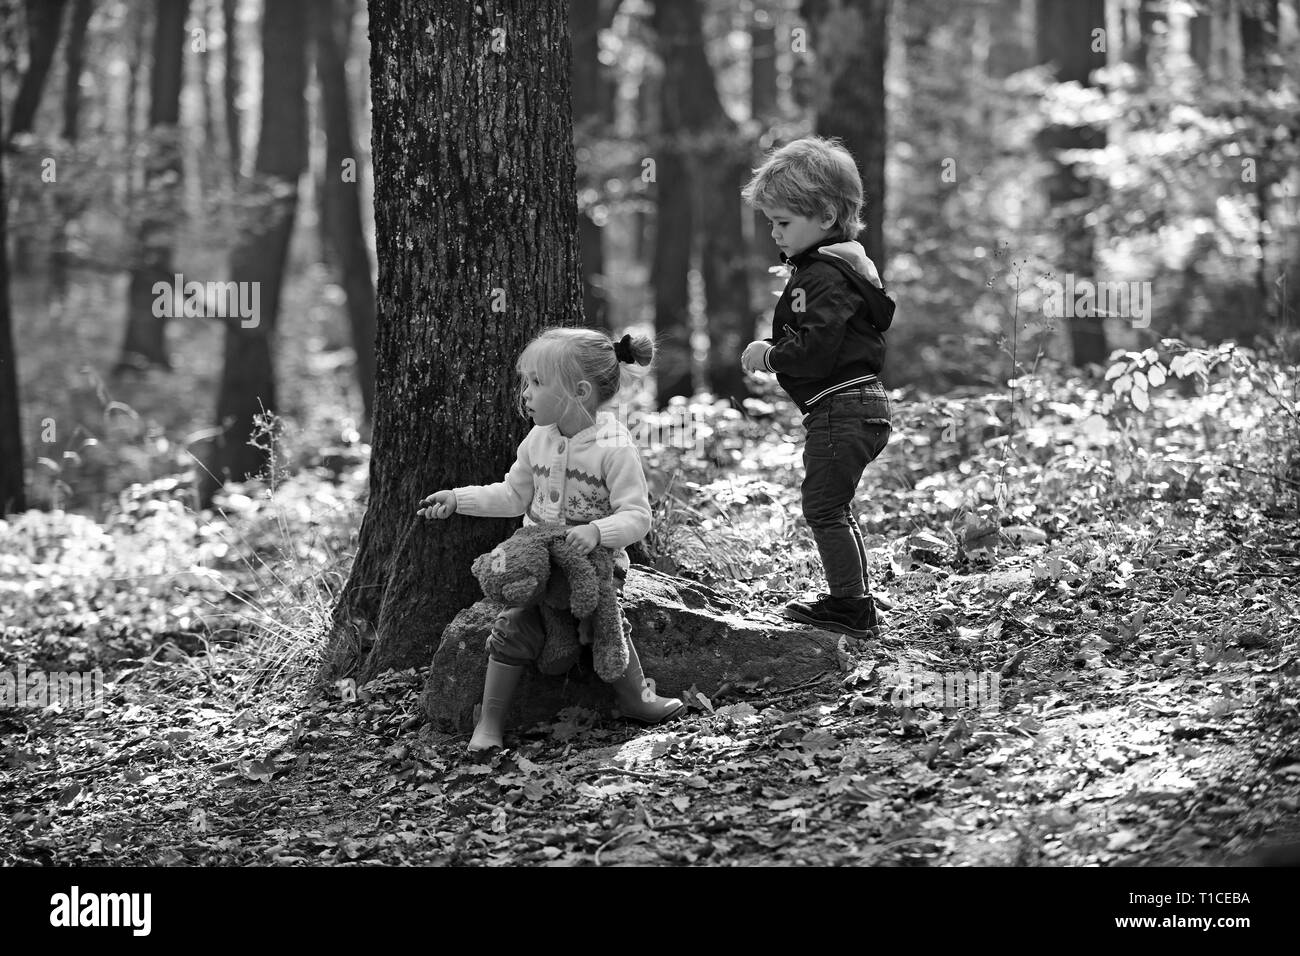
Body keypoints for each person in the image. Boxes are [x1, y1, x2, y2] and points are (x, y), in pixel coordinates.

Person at [419, 327, 684, 751]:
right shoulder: (537, 439)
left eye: (537, 383)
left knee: (605, 621)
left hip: (594, 561)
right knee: (512, 625)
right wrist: (458, 499)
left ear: (579, 391)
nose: (525, 393)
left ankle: (638, 698)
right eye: (527, 382)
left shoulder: (613, 448)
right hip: (537, 562)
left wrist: (598, 531)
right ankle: (489, 722)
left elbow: (637, 516)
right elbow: (512, 494)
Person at [739, 136, 895, 638]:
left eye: (783, 222)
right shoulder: (846, 270)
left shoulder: (820, 276)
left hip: (841, 409)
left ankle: (850, 606)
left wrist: (770, 354)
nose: (774, 233)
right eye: (771, 222)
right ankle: (857, 597)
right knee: (834, 506)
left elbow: (817, 347)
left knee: (823, 507)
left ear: (826, 215)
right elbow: (825, 332)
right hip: (864, 404)